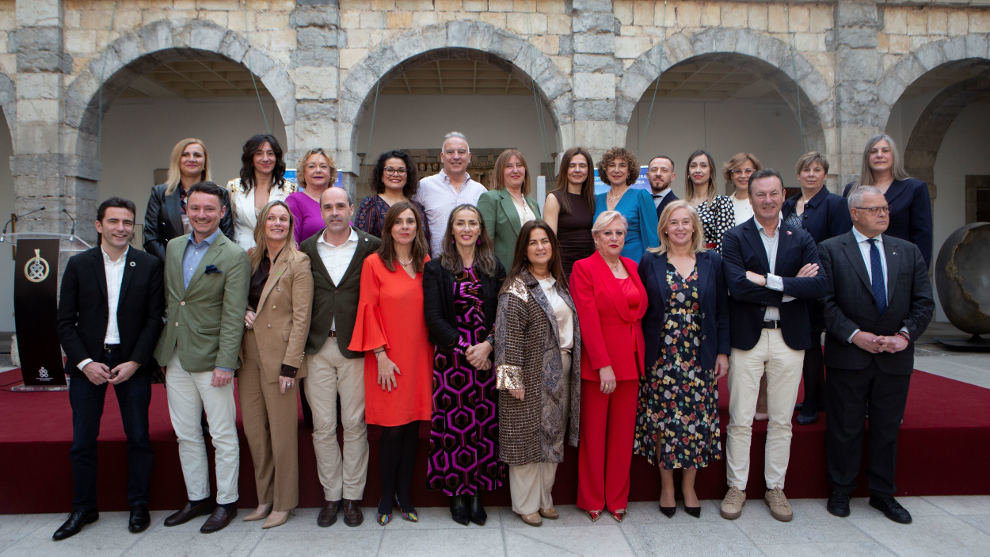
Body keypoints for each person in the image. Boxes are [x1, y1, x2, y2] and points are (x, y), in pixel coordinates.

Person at [819, 185, 934, 524]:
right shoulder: (831, 250)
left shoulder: (908, 251)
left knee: (886, 428)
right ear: (855, 214)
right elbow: (825, 302)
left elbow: (924, 302)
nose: (884, 213)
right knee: (845, 426)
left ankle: (883, 494)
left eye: (884, 208)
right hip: (849, 354)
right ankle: (841, 489)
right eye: (875, 209)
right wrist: (855, 335)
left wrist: (904, 335)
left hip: (894, 356)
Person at [53, 197, 164, 541]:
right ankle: (84, 508)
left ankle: (139, 505)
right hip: (89, 363)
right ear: (99, 225)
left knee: (139, 438)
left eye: (127, 222)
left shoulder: (147, 265)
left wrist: (136, 361)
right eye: (114, 221)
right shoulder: (79, 265)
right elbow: (64, 322)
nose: (121, 228)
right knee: (83, 440)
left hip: (132, 362)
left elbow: (154, 319)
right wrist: (84, 363)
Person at [719, 169, 826, 523]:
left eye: (774, 194)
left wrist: (767, 280)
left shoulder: (801, 236)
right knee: (740, 419)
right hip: (748, 337)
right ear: (751, 198)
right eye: (760, 194)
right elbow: (737, 286)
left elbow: (817, 286)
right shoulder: (735, 237)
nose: (767, 200)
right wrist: (792, 286)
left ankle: (774, 488)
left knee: (782, 419)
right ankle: (736, 487)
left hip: (789, 338)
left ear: (784, 196)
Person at [154, 181, 250, 533]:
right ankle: (197, 498)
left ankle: (226, 502)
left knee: (222, 435)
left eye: (210, 209)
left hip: (213, 359)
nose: (202, 215)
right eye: (195, 208)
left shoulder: (233, 255)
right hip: (176, 353)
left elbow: (232, 311)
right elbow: (172, 300)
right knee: (186, 433)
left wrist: (226, 362)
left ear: (222, 212)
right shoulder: (175, 247)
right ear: (186, 211)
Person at [634, 201, 729, 519]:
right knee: (664, 423)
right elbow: (640, 308)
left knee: (695, 424)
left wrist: (722, 352)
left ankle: (689, 486)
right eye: (673, 222)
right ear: (664, 228)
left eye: (685, 222)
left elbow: (721, 311)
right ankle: (667, 487)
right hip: (662, 356)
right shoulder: (650, 260)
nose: (679, 227)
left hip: (698, 354)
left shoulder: (712, 260)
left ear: (694, 227)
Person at [299, 186, 381, 528]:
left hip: (356, 348)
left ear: (351, 208)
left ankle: (352, 497)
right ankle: (331, 496)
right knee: (322, 426)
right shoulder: (306, 249)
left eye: (340, 206)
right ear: (321, 211)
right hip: (317, 347)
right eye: (327, 207)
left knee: (353, 424)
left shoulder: (371, 247)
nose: (334, 212)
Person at [349, 202, 433, 526]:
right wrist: (381, 355)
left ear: (417, 227)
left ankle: (406, 495)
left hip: (419, 357)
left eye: (410, 221)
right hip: (387, 358)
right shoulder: (374, 263)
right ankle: (386, 497)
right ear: (388, 228)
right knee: (392, 432)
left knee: (412, 429)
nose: (405, 227)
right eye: (398, 222)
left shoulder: (426, 263)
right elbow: (368, 308)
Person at [423, 204, 506, 526]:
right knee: (454, 431)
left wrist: (487, 346)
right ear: (452, 230)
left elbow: (503, 312)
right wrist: (464, 347)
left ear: (480, 230)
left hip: (486, 360)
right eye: (461, 223)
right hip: (451, 361)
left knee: (484, 428)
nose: (467, 228)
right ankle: (457, 494)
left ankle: (477, 494)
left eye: (473, 223)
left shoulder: (493, 266)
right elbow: (432, 318)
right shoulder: (437, 267)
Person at [494, 220, 581, 527]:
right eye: (533, 242)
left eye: (545, 241)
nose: (540, 247)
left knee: (551, 437)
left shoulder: (560, 282)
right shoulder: (517, 285)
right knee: (527, 438)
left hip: (561, 369)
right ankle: (525, 504)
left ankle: (545, 499)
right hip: (528, 372)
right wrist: (510, 379)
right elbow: (506, 334)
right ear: (524, 249)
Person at [238, 201, 313, 529]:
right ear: (263, 223)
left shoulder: (299, 261)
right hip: (249, 354)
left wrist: (291, 365)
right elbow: (236, 296)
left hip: (281, 357)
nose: (277, 223)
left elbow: (302, 317)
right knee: (255, 432)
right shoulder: (250, 258)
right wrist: (242, 310)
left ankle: (284, 502)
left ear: (290, 225)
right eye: (272, 218)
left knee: (282, 435)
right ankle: (264, 498)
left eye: (283, 218)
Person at [570, 211, 648, 523]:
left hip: (631, 362)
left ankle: (617, 498)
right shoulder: (583, 268)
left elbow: (639, 308)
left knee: (622, 437)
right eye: (607, 233)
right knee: (595, 437)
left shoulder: (631, 266)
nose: (614, 238)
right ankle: (592, 498)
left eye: (619, 233)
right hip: (599, 365)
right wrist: (603, 364)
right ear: (595, 237)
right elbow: (587, 319)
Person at [782, 152, 852, 425]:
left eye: (817, 169)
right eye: (806, 169)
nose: (811, 174)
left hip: (823, 282)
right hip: (795, 283)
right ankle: (813, 395)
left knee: (821, 344)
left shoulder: (836, 205)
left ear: (825, 174)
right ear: (798, 174)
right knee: (806, 343)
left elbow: (840, 245)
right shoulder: (788, 204)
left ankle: (817, 401)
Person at [842, 134, 933, 267]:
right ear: (867, 157)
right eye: (874, 151)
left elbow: (923, 236)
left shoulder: (914, 188)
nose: (879, 155)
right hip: (859, 265)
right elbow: (845, 231)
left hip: (900, 265)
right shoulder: (853, 189)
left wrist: (918, 272)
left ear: (893, 156)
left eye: (885, 150)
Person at [144, 138, 233, 262]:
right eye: (185, 155)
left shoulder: (220, 193)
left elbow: (227, 234)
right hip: (169, 266)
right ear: (177, 160)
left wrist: (207, 263)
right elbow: (150, 237)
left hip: (210, 267)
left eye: (197, 155)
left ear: (204, 162)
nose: (192, 159)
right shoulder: (160, 193)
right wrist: (173, 263)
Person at [415, 131, 487, 257]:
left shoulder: (480, 191)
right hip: (436, 266)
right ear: (442, 157)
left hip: (472, 267)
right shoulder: (424, 186)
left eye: (461, 152)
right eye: (450, 152)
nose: (456, 156)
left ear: (469, 157)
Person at [226, 134, 295, 251]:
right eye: (259, 153)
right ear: (251, 158)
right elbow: (227, 225)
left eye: (270, 153)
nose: (265, 158)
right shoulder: (234, 187)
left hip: (275, 253)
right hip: (241, 254)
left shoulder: (289, 189)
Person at [478, 149, 542, 269]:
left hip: (534, 271)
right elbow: (485, 245)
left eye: (519, 165)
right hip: (506, 273)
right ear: (500, 172)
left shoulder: (533, 203)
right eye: (509, 166)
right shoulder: (490, 199)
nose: (515, 170)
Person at [593, 147, 659, 263]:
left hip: (634, 261)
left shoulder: (641, 196)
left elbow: (652, 237)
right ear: (605, 170)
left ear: (629, 171)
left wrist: (652, 267)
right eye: (612, 165)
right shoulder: (597, 199)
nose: (616, 170)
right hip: (603, 262)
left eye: (622, 165)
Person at [355, 150, 431, 247]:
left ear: (408, 175)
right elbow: (363, 242)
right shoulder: (371, 204)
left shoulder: (417, 207)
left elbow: (425, 242)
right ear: (381, 175)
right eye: (390, 170)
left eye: (401, 170)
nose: (395, 174)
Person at [543, 147, 596, 276]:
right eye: (572, 165)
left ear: (588, 170)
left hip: (589, 268)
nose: (577, 170)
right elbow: (549, 240)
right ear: (565, 169)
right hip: (564, 268)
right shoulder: (554, 198)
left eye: (582, 166)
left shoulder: (592, 200)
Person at [685, 149, 733, 253]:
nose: (698, 170)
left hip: (712, 262)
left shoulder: (722, 202)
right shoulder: (682, 205)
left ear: (711, 172)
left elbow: (725, 242)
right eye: (693, 166)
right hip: (685, 262)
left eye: (703, 165)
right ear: (688, 172)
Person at [286, 147, 337, 246]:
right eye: (311, 166)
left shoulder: (340, 200)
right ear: (303, 173)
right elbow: (291, 243)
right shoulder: (294, 201)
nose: (318, 170)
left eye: (323, 166)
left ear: (330, 173)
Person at [723, 152, 762, 227]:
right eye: (738, 171)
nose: (743, 175)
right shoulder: (725, 205)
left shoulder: (765, 201)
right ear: (731, 175)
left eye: (748, 171)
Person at [647, 155, 678, 221]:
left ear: (672, 176)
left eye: (664, 170)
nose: (658, 174)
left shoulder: (677, 206)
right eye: (654, 170)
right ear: (647, 176)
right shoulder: (641, 202)